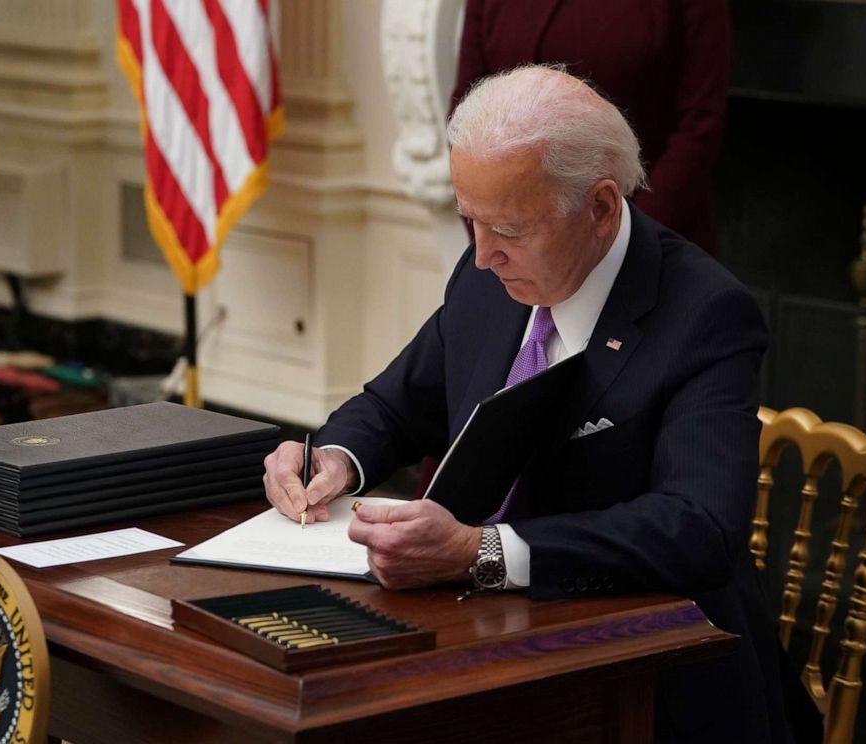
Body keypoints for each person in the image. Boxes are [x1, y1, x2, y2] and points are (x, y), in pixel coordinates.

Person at [264, 66, 790, 743]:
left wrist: (481, 554)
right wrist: (332, 460)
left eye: (508, 228)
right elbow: (395, 407)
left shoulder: (705, 314)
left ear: (600, 208)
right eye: (469, 221)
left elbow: (697, 529)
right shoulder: (487, 274)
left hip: (645, 681)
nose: (482, 255)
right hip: (470, 644)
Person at [451, 0, 730, 255]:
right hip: (514, 248)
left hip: (651, 241)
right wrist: (494, 232)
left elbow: (699, 126)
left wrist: (625, 240)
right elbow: (466, 116)